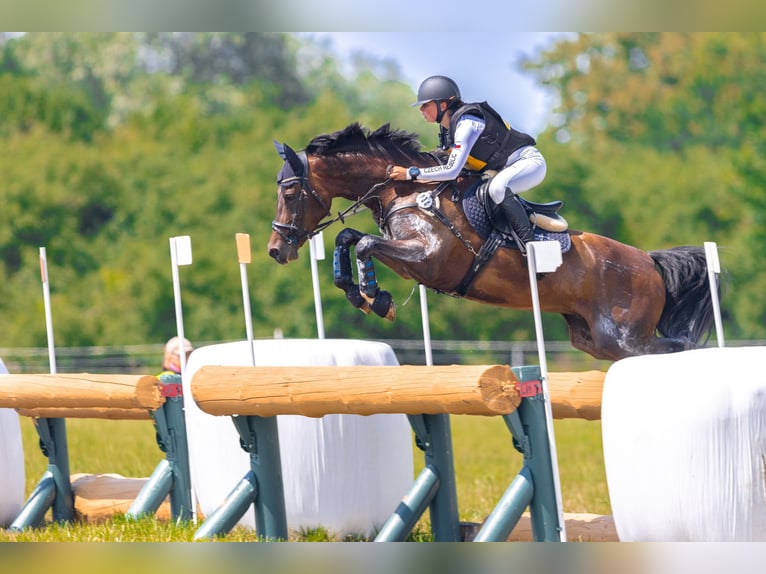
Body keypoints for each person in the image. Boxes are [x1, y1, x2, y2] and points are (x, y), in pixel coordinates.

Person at [388, 75, 546, 255]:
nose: (421, 109)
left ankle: (531, 248)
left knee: (497, 188)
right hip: (506, 169)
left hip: (528, 163)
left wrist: (411, 173)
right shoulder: (448, 130)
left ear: (443, 105)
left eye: (426, 104)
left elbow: (451, 170)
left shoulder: (467, 124)